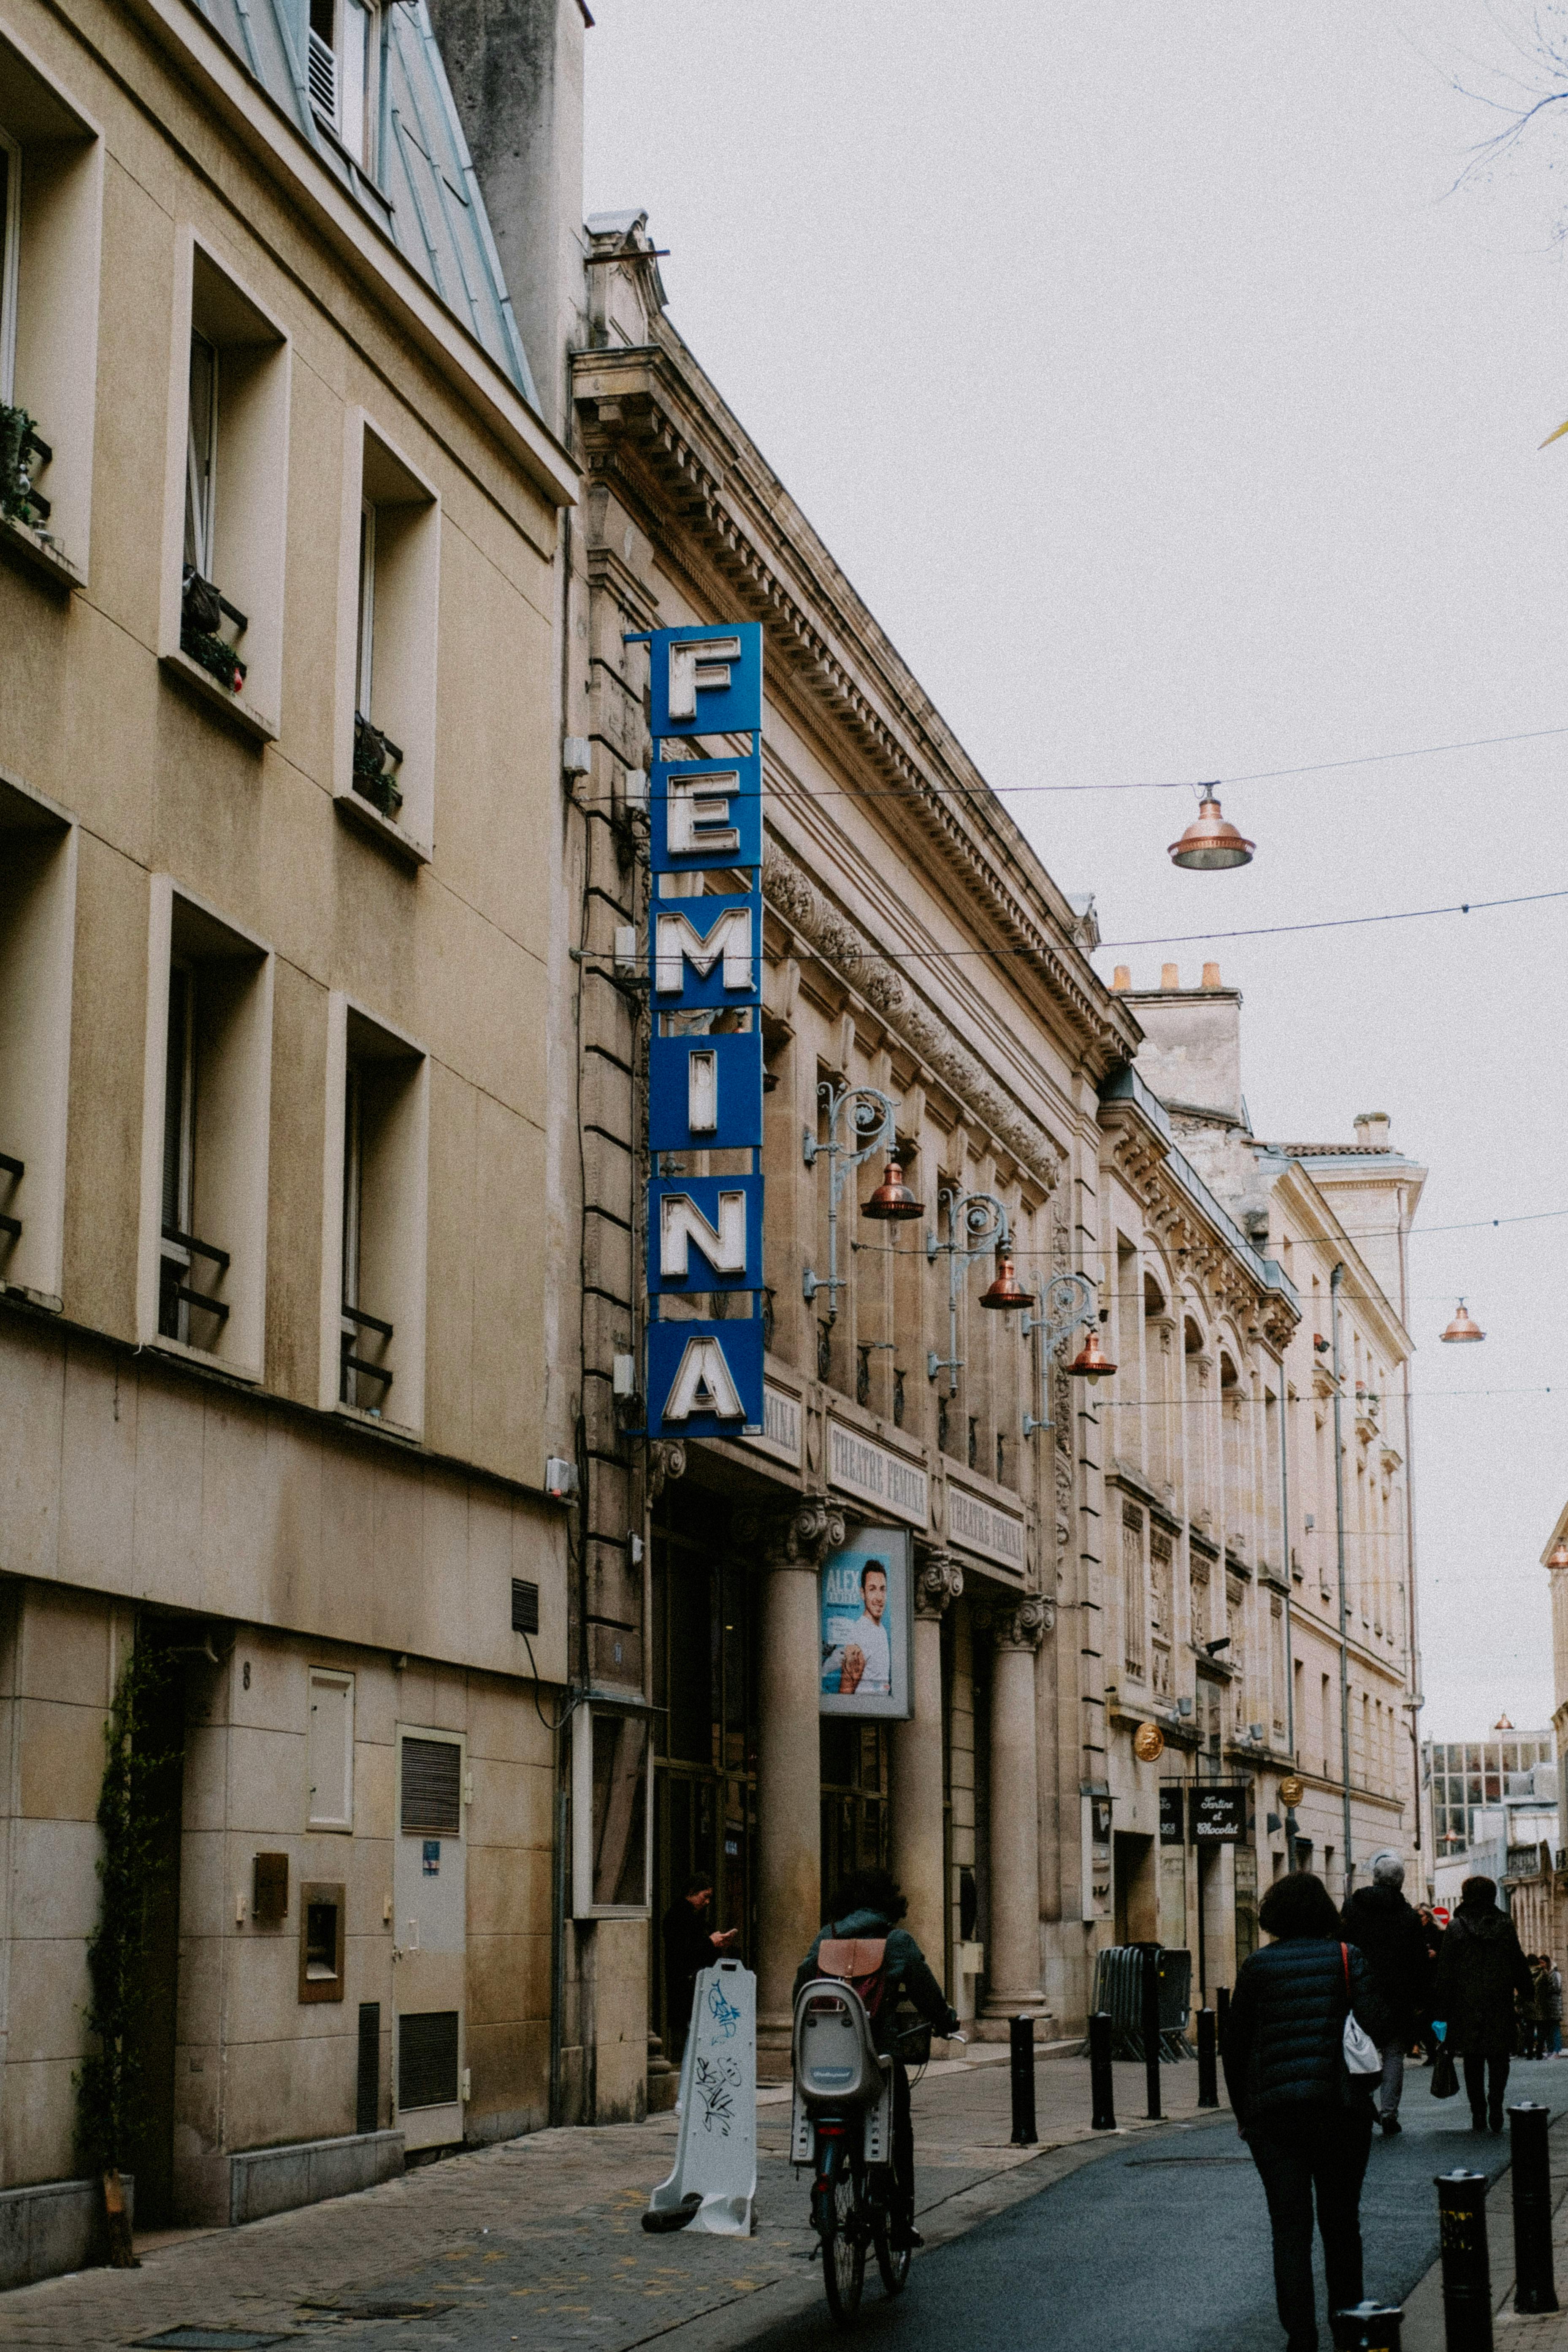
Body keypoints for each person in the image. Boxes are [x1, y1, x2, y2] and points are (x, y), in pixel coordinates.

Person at [1221, 1870, 1392, 2352]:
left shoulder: (1257, 1967)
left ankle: (1301, 2338)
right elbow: (1377, 2023)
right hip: (1340, 2109)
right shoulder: (1346, 1957)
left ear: (1273, 1915)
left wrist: (1244, 2113)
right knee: (1341, 2223)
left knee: (1289, 2230)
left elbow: (1233, 2048)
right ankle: (1349, 2328)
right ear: (1323, 1912)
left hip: (1275, 2117)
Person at [794, 1865, 959, 2251]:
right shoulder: (896, 1942)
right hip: (878, 2061)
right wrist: (946, 2021)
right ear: (889, 1900)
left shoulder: (826, 1939)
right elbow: (928, 1996)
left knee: (824, 2115)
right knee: (898, 2130)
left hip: (824, 2065)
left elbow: (801, 1986)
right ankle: (901, 2221)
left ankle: (825, 2179)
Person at [1432, 1874, 1535, 2131]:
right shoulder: (1505, 1925)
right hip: (1499, 2001)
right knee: (1499, 2057)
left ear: (1466, 1897)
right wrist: (1526, 1991)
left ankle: (1479, 2111)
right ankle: (1496, 2102)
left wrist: (1441, 2008)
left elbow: (1446, 1971)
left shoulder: (1456, 1928)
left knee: (1473, 2060)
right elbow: (1518, 1961)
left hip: (1465, 2005)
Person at [1340, 1852, 1430, 2135]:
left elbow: (1340, 1947)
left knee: (1356, 2049)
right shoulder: (1407, 1916)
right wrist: (1421, 1999)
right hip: (1396, 1995)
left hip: (1357, 1991)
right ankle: (1388, 2112)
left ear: (1374, 1878)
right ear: (1401, 1883)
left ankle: (1361, 2105)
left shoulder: (1352, 1908)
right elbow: (1418, 1961)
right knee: (1393, 2053)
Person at [661, 1870, 737, 2057]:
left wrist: (714, 1944)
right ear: (693, 1892)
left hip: (695, 1981)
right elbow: (685, 1952)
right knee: (691, 2033)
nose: (707, 1902)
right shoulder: (680, 1917)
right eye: (705, 1896)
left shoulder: (692, 1917)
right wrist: (710, 1943)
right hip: (687, 1983)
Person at [822, 1560, 892, 1697]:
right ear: (863, 1593)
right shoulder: (861, 1633)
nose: (879, 1598)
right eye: (872, 1589)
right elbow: (846, 1694)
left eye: (883, 1589)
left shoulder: (880, 1629)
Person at [1540, 1954, 1564, 2057]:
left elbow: (1557, 1989)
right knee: (1548, 2029)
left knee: (1555, 2028)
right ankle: (1550, 2050)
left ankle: (1557, 2051)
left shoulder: (1555, 1974)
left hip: (1554, 2006)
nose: (1542, 1965)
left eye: (1543, 1963)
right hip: (1547, 2005)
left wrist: (1545, 1989)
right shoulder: (1544, 1973)